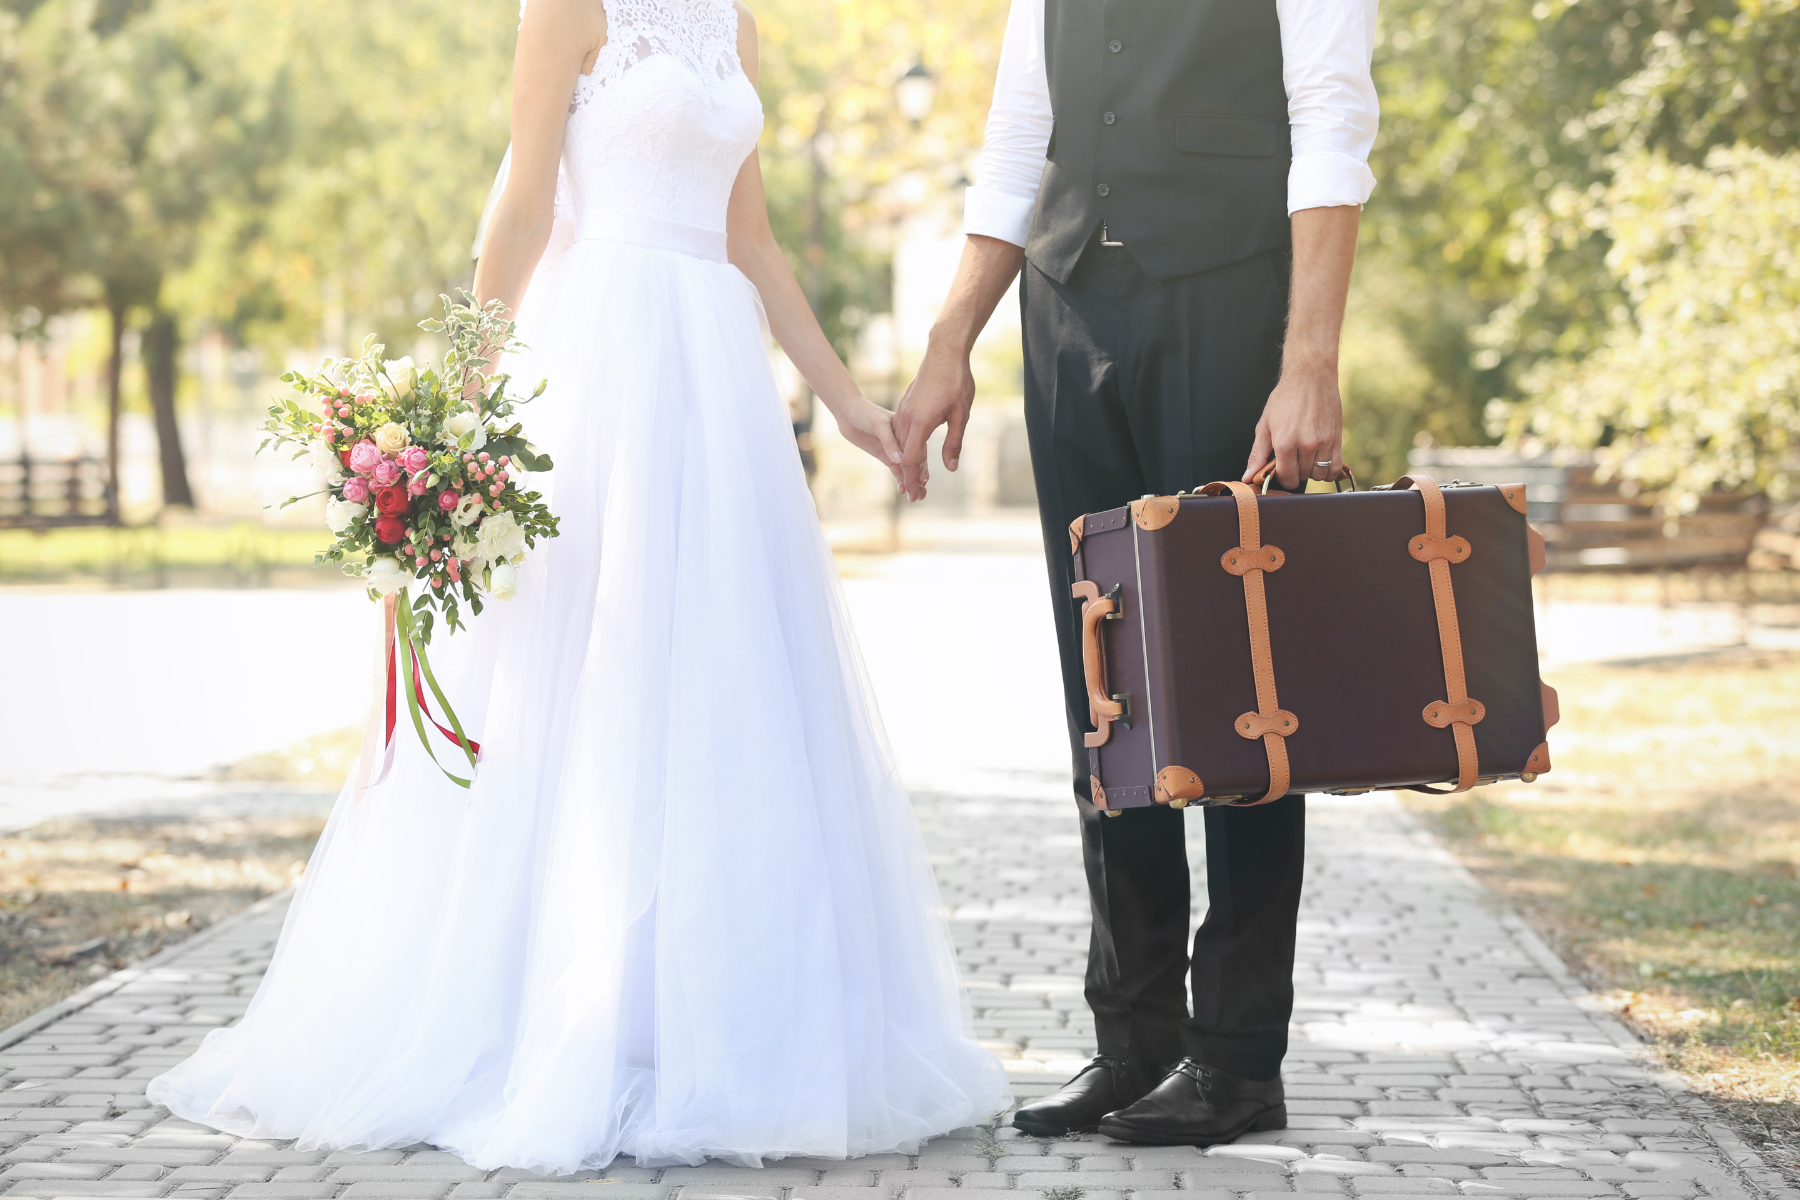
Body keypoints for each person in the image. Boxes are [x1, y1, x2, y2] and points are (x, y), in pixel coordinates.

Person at [146, 0, 1010, 1170]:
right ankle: (559, 1014)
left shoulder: (737, 25)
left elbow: (751, 243)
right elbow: (520, 206)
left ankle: (704, 1018)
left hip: (715, 377)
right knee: (579, 675)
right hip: (600, 359)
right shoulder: (568, 5)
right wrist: (455, 404)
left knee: (723, 675)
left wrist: (851, 405)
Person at [891, 0, 1379, 1146]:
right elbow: (1021, 140)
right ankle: (1135, 1034)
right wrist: (950, 341)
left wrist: (1309, 359)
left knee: (1239, 694)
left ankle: (1240, 1058)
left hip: (1229, 304)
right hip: (1066, 309)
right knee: (1102, 688)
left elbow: (1332, 121)